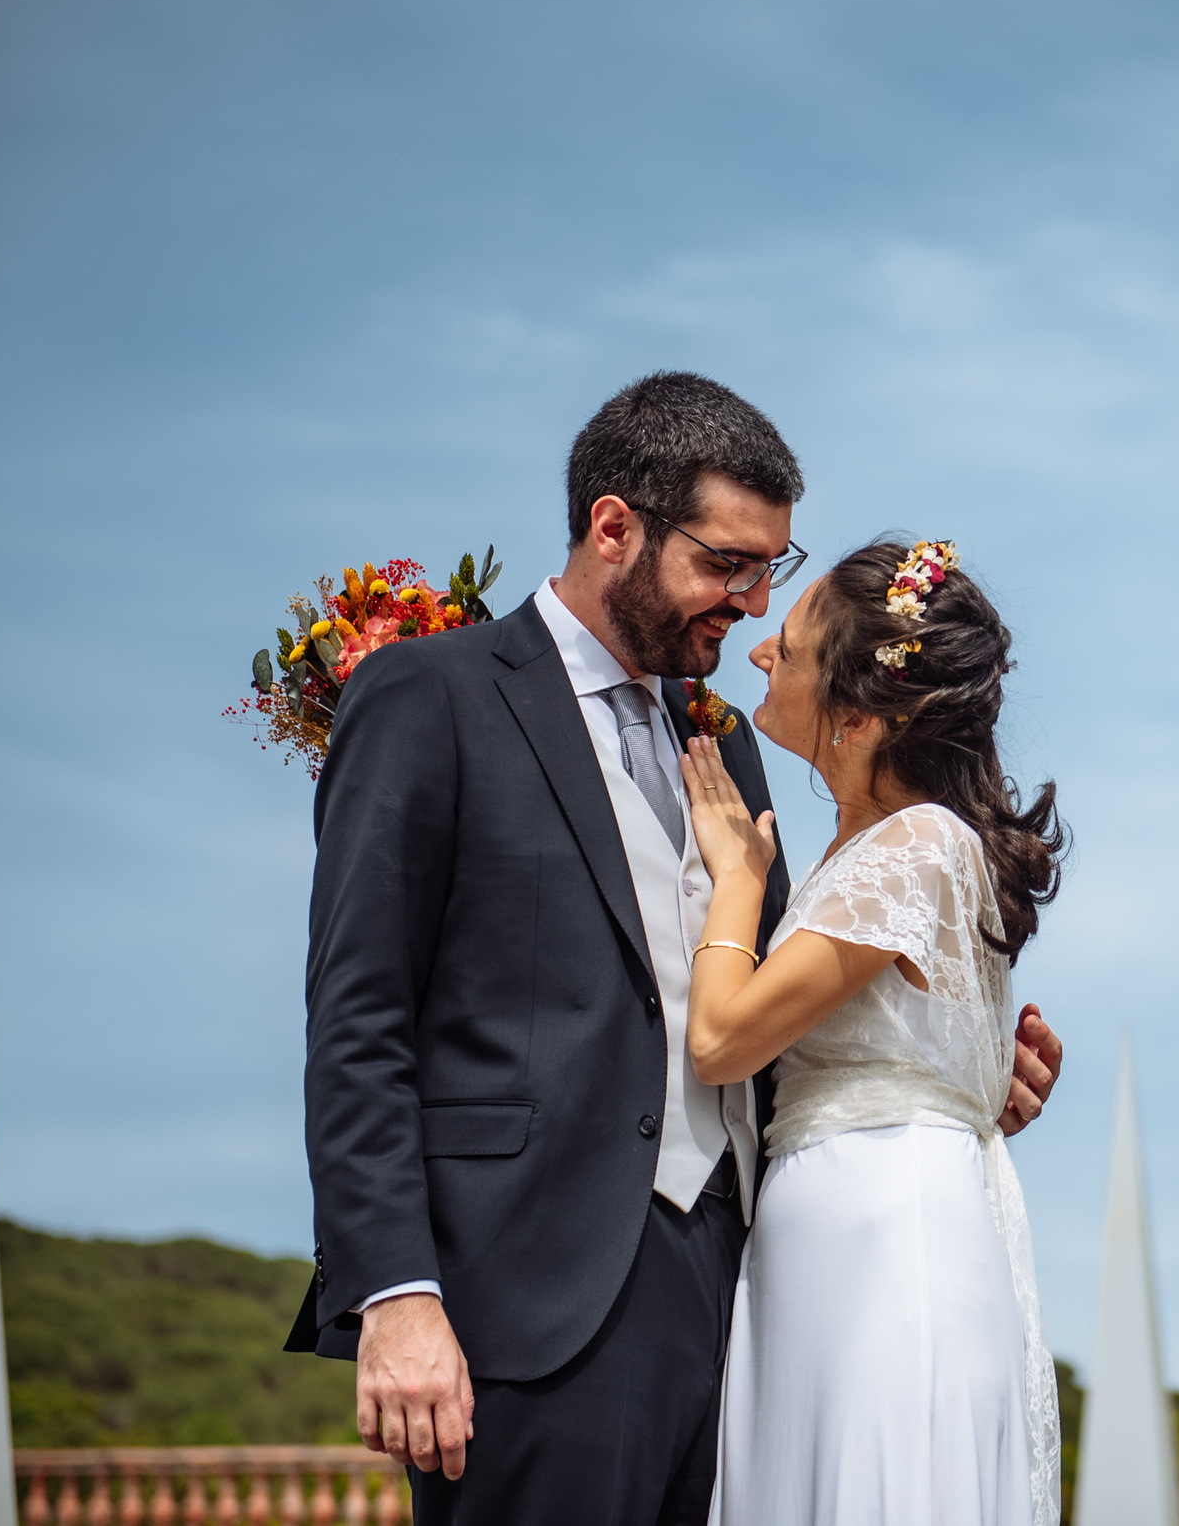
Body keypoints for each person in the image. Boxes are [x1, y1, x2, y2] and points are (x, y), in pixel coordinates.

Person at [288, 374, 1066, 1524]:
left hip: (751, 1299)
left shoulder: (732, 749)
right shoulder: (430, 696)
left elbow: (782, 1002)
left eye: (770, 572)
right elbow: (358, 1020)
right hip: (528, 1299)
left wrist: (945, 1063)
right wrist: (397, 1294)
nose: (751, 604)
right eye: (727, 563)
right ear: (615, 528)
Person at [677, 536, 1068, 1526]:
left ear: (857, 716)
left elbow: (723, 1037)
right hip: (841, 1232)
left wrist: (736, 879)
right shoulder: (890, 846)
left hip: (883, 1243)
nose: (762, 651)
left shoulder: (917, 842)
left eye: (794, 648)